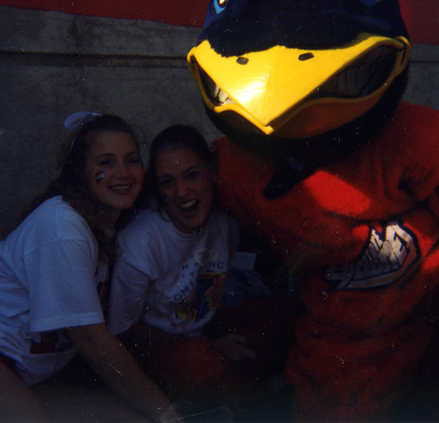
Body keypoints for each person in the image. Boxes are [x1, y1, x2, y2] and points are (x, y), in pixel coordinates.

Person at [0, 112, 182, 422]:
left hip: (15, 376)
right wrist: (166, 413)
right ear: (80, 173)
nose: (122, 172)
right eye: (105, 162)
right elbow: (91, 340)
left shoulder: (114, 228)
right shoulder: (63, 224)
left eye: (131, 160)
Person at [107, 124, 303, 417]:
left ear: (211, 173)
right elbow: (126, 331)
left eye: (192, 175)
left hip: (204, 326)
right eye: (168, 182)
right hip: (160, 344)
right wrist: (210, 346)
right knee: (204, 368)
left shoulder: (225, 213)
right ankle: (250, 392)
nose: (182, 192)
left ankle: (240, 379)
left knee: (292, 315)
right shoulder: (140, 244)